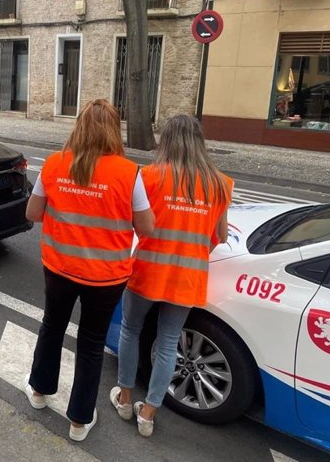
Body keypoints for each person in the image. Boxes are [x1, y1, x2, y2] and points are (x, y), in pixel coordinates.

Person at [22, 99, 155, 442]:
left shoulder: (54, 165)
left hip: (59, 268)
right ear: (114, 130)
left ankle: (39, 391)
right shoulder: (129, 173)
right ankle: (80, 421)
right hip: (106, 277)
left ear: (78, 127)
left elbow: (32, 214)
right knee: (91, 343)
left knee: (52, 325)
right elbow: (147, 228)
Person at [110, 114, 233, 437]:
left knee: (131, 330)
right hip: (188, 276)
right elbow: (219, 234)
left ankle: (124, 397)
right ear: (199, 142)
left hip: (148, 270)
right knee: (168, 343)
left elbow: (134, 222)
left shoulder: (149, 176)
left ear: (165, 140)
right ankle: (148, 414)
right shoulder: (220, 184)